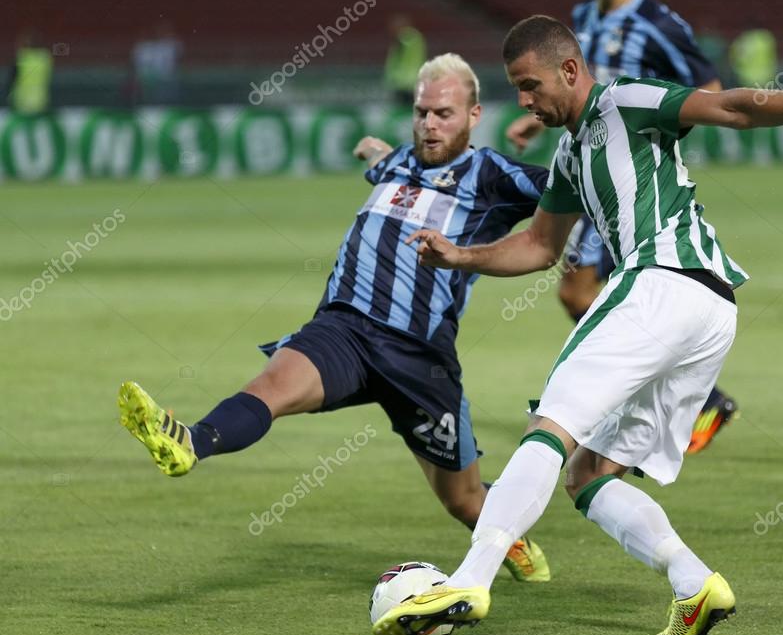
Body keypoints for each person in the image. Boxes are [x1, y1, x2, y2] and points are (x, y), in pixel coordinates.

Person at [372, 15, 783, 635]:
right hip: (709, 311)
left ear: (569, 71)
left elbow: (734, 108)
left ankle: (470, 578)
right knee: (587, 473)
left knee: (548, 427)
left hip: (662, 280)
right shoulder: (573, 153)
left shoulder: (625, 100)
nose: (523, 102)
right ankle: (695, 584)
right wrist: (461, 257)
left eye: (530, 85)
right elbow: (540, 246)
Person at [117, 53, 552, 584]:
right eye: (421, 113)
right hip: (344, 328)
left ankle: (511, 541)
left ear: (474, 114)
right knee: (272, 385)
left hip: (420, 356)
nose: (430, 124)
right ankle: (189, 441)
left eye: (444, 114)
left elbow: (567, 191)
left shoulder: (493, 175)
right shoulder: (395, 164)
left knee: (462, 499)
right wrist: (374, 149)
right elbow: (382, 158)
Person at [506, 0, 737, 454]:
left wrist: (650, 132)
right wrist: (536, 116)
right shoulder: (581, 20)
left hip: (630, 177)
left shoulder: (657, 23)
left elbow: (710, 88)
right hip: (591, 176)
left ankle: (684, 398)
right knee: (582, 290)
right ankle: (669, 394)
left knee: (580, 288)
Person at [5, 30, 53, 114]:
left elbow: (11, 79)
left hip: (21, 102)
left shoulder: (22, 58)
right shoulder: (45, 58)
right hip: (41, 101)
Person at [384, 15, 428, 106]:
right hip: (406, 81)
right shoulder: (413, 37)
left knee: (406, 108)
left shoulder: (406, 38)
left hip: (406, 82)